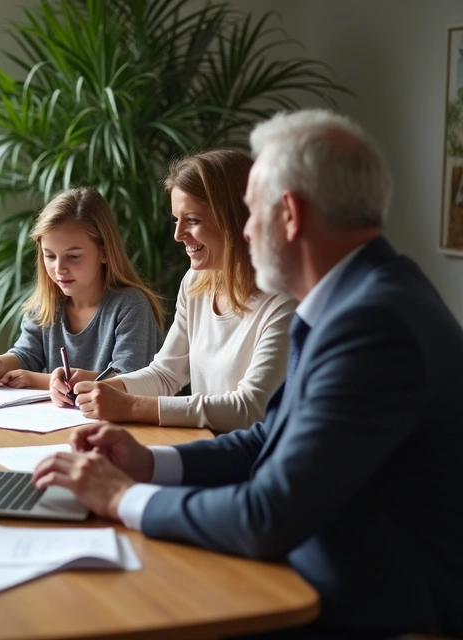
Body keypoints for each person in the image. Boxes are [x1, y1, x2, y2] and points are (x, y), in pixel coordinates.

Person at [33, 110, 463, 637]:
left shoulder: (372, 324)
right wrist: (148, 463)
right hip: (319, 565)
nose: (247, 229)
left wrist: (121, 497)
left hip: (366, 604)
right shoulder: (360, 297)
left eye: (251, 212)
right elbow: (268, 438)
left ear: (290, 214)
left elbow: (267, 515)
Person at [53, 149, 296, 431]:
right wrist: (101, 387)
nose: (178, 235)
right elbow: (166, 374)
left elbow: (250, 407)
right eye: (176, 220)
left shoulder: (284, 301)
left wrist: (131, 406)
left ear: (237, 218)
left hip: (256, 462)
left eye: (192, 220)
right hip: (207, 448)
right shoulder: (196, 282)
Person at [0, 187, 163, 388]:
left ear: (104, 252)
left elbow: (128, 379)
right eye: (50, 256)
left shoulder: (131, 305)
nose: (59, 268)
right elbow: (26, 354)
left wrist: (38, 379)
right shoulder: (46, 305)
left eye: (73, 256)